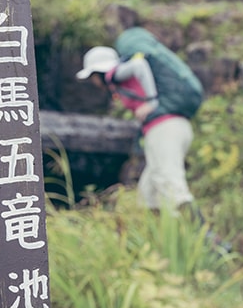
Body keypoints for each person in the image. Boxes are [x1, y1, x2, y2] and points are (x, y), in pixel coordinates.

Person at [76, 44, 203, 221]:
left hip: (164, 129)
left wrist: (151, 101)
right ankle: (166, 238)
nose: (93, 82)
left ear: (98, 72)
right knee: (148, 193)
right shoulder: (120, 83)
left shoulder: (114, 74)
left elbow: (139, 65)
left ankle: (207, 239)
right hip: (169, 128)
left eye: (92, 76)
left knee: (170, 182)